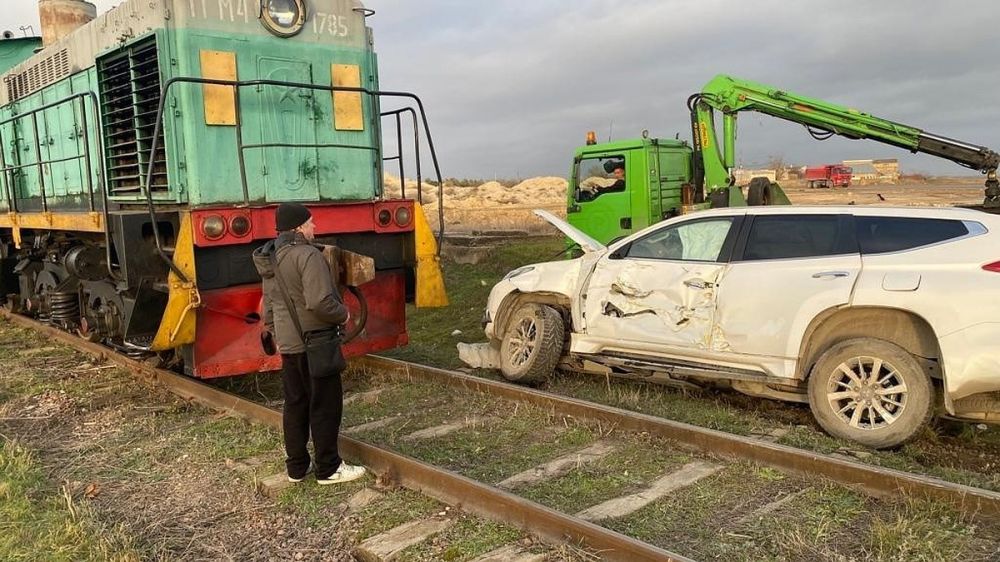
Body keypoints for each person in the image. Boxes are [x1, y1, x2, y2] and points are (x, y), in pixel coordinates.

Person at [252, 203, 366, 485]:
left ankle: (297, 468)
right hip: (316, 342)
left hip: (290, 345)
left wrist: (275, 333)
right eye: (311, 223)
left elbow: (269, 305)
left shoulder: (272, 257)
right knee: (325, 405)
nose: (314, 228)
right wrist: (344, 313)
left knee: (295, 405)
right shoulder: (307, 255)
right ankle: (329, 468)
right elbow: (319, 302)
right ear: (299, 227)